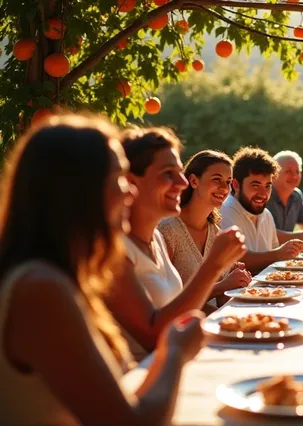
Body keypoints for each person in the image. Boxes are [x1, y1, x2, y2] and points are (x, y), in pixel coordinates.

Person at [0, 114, 203, 424]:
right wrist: (174, 352)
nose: (130, 192)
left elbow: (119, 397)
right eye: (119, 178)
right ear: (78, 191)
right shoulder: (40, 288)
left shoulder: (65, 277)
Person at [107, 128, 247, 361]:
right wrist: (213, 266)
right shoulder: (115, 250)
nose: (182, 183)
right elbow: (154, 336)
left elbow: (181, 313)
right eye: (168, 173)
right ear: (131, 182)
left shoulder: (156, 239)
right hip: (141, 378)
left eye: (180, 173)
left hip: (173, 363)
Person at [157, 150, 252, 304]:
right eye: (216, 179)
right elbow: (165, 300)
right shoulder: (167, 231)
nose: (224, 188)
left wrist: (235, 279)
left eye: (228, 182)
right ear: (194, 181)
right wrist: (221, 286)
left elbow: (221, 301)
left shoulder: (216, 232)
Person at [221, 146, 303, 272]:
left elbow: (275, 260)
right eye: (255, 185)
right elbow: (236, 260)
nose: (263, 193)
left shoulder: (266, 215)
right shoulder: (225, 212)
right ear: (236, 185)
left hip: (267, 289)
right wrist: (278, 254)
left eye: (268, 186)